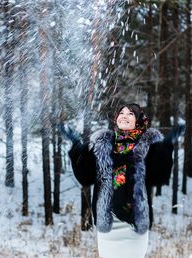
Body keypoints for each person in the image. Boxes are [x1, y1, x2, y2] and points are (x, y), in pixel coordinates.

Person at [65, 103, 173, 258]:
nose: (124, 115)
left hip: (134, 226)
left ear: (139, 120)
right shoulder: (102, 145)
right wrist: (77, 146)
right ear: (116, 118)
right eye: (122, 112)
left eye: (131, 113)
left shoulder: (147, 146)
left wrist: (165, 148)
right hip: (109, 227)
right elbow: (85, 177)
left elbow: (159, 176)